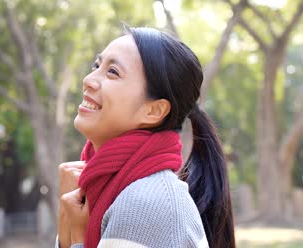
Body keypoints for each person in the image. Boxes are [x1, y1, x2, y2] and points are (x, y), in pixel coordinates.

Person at [56, 27, 235, 248]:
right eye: (96, 66)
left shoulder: (145, 202)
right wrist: (66, 228)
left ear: (154, 111)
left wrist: (77, 238)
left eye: (112, 72)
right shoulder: (113, 187)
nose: (89, 80)